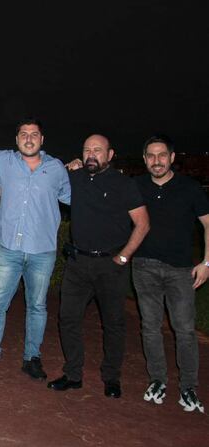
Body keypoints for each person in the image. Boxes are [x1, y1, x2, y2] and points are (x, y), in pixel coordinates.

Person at [48, 134, 149, 398]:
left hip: (111, 265)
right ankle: (72, 374)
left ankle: (111, 378)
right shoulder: (75, 178)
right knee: (68, 319)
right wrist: (67, 167)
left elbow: (143, 224)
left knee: (113, 323)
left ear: (110, 154)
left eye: (98, 150)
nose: (91, 154)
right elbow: (49, 174)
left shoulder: (124, 184)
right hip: (78, 263)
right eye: (87, 150)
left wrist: (124, 256)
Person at [0, 118, 71, 380]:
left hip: (42, 251)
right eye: (24, 135)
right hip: (7, 248)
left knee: (37, 306)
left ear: (42, 139)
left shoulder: (57, 168)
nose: (29, 139)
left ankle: (32, 358)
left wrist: (82, 171)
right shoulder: (2, 160)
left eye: (34, 134)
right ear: (16, 140)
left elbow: (73, 197)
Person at [133, 134, 208, 413]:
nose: (156, 161)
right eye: (151, 156)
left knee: (185, 330)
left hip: (180, 270)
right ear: (144, 159)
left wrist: (207, 262)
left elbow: (208, 223)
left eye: (161, 155)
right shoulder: (136, 186)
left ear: (172, 158)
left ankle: (188, 386)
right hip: (144, 267)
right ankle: (158, 380)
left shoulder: (189, 188)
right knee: (150, 328)